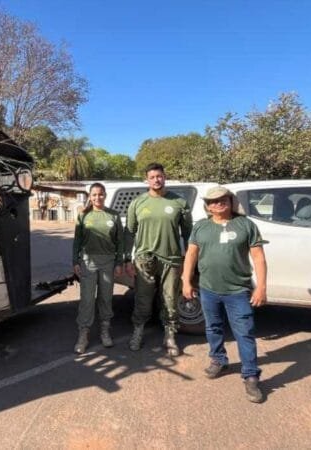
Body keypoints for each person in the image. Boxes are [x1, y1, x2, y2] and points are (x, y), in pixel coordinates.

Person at [181, 185, 268, 403]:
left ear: (230, 202)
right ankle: (218, 360)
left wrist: (261, 287)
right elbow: (191, 254)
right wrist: (186, 281)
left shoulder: (246, 225)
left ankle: (250, 375)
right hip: (208, 289)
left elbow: (258, 257)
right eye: (212, 201)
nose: (217, 203)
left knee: (245, 333)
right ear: (207, 206)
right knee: (213, 327)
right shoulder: (201, 227)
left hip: (237, 291)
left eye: (222, 200)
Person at [125, 163, 192, 355]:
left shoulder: (179, 202)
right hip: (144, 259)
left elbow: (188, 233)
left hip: (171, 260)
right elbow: (129, 233)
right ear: (147, 179)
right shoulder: (137, 203)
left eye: (159, 176)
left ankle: (170, 336)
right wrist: (126, 259)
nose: (156, 180)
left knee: (170, 300)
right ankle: (138, 332)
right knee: (142, 300)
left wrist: (189, 259)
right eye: (152, 177)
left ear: (165, 177)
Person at [72, 183, 124, 354]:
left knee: (105, 298)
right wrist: (75, 261)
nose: (97, 197)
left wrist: (119, 263)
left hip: (108, 262)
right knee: (87, 299)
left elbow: (120, 242)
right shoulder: (83, 216)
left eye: (100, 194)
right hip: (88, 262)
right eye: (94, 195)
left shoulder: (114, 216)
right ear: (90, 196)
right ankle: (83, 334)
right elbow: (77, 241)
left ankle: (105, 330)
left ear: (105, 195)